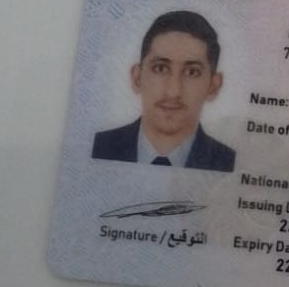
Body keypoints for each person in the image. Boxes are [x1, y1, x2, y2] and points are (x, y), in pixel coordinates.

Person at [92, 10, 234, 170]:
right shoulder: (98, 147)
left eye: (192, 72)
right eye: (160, 68)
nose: (173, 92)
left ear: (213, 86)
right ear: (137, 78)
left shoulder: (229, 163)